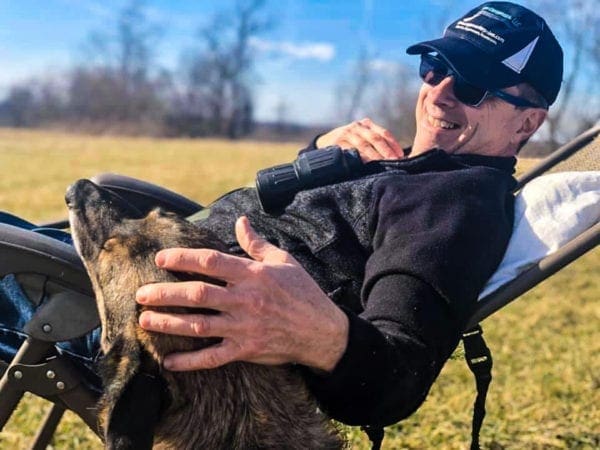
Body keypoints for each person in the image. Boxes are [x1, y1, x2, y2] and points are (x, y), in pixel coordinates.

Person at [0, 0, 562, 433]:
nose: (439, 94)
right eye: (434, 68)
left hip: (135, 325)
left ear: (527, 123)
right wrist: (323, 155)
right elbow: (294, 219)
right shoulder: (404, 168)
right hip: (120, 281)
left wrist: (320, 336)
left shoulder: (455, 203)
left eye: (471, 85)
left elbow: (397, 375)